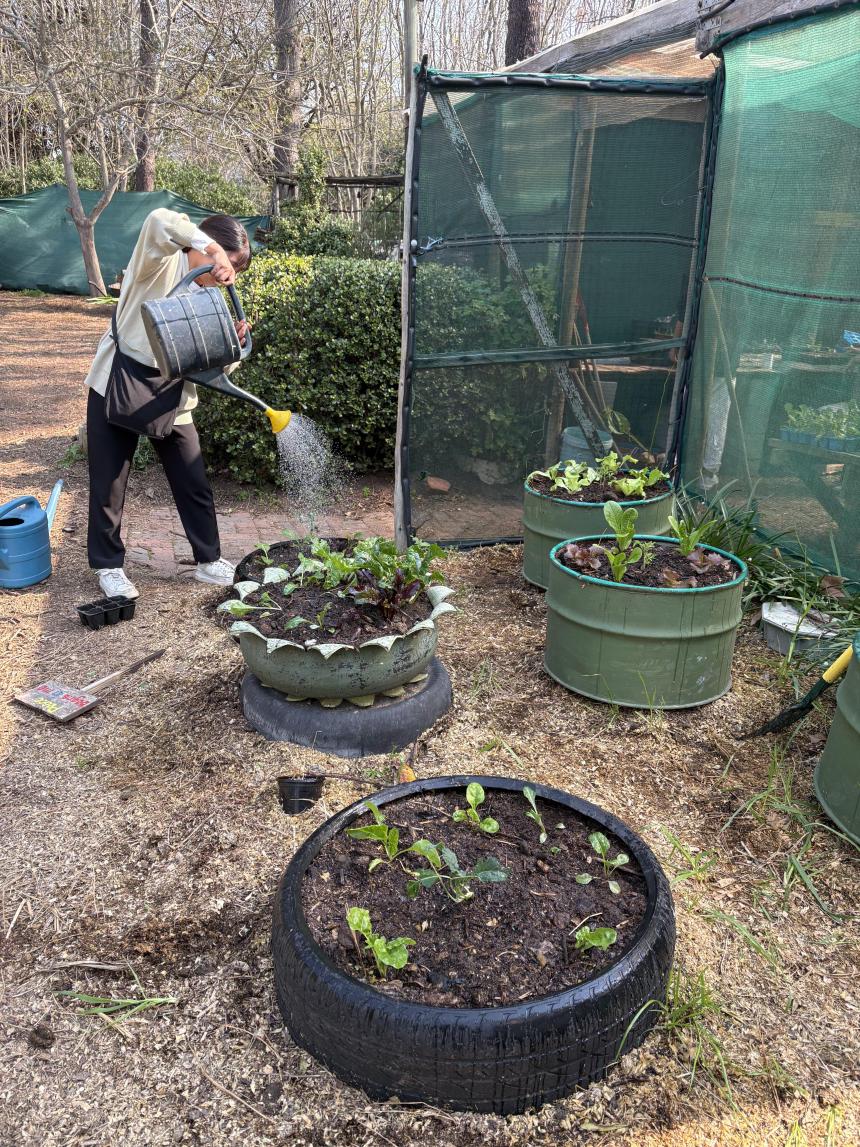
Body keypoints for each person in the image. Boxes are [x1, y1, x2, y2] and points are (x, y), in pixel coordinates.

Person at [84, 209, 251, 600]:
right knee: (109, 481)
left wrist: (235, 344)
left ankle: (209, 562)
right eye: (228, 263)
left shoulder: (210, 295)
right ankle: (109, 567)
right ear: (205, 246)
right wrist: (208, 247)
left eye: (236, 269)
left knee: (192, 478)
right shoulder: (158, 263)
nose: (229, 275)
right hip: (119, 381)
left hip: (171, 396)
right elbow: (159, 219)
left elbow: (214, 365)